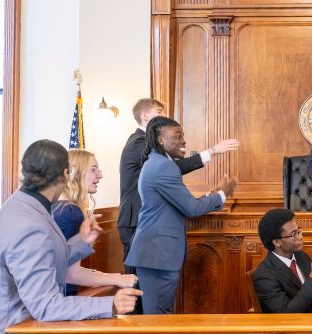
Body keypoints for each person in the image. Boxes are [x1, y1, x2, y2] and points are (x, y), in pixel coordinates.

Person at [0, 140, 141, 334]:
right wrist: (109, 305)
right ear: (66, 174)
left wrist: (80, 243)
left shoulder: (21, 205)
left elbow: (44, 259)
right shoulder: (28, 223)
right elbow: (45, 305)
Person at [125, 116, 237, 314]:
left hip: (155, 253)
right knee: (158, 316)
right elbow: (191, 208)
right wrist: (222, 194)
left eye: (182, 136)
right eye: (177, 137)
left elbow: (180, 202)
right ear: (160, 140)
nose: (183, 141)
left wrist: (213, 195)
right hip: (157, 253)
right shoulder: (163, 166)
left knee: (159, 313)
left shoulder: (158, 163)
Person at [118, 98, 239, 261]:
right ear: (145, 116)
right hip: (135, 218)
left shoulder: (155, 153)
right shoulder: (139, 142)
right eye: (159, 112)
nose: (165, 116)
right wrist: (213, 151)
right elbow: (172, 167)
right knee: (135, 280)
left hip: (145, 220)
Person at [52, 149, 138, 294]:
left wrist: (114, 276)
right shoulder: (70, 212)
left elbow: (66, 265)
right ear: (76, 173)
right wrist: (118, 280)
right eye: (93, 170)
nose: (100, 175)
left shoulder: (55, 206)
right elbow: (71, 274)